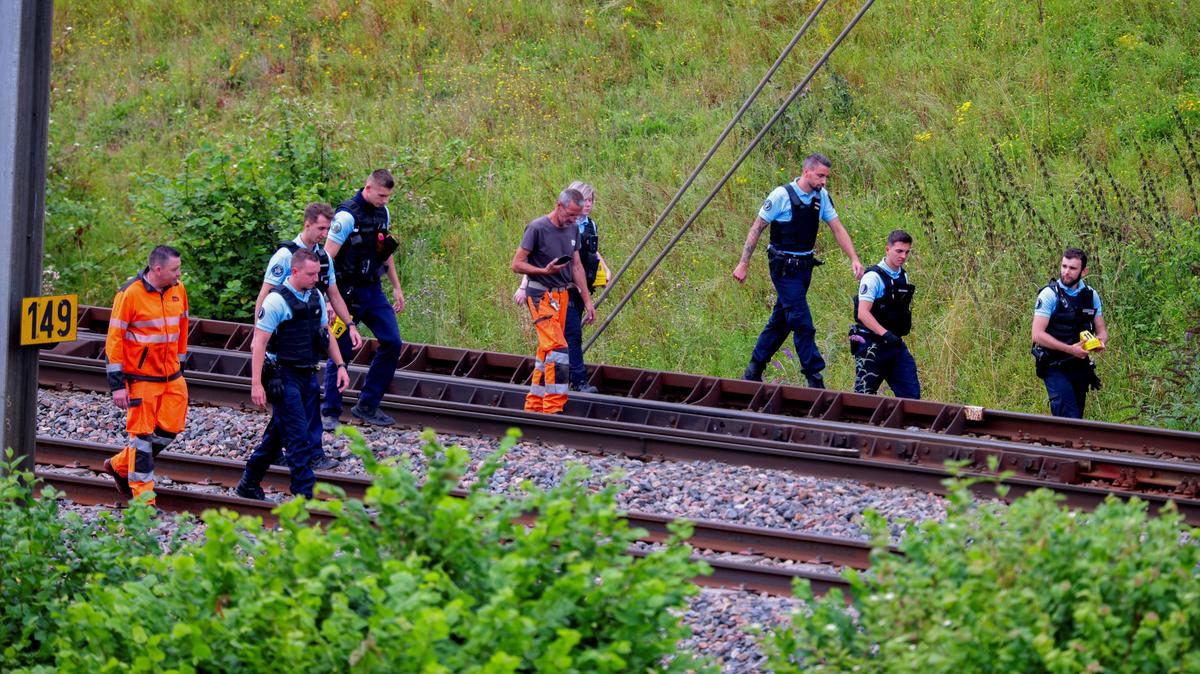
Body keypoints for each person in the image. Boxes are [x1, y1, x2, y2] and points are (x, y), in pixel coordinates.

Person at [733, 153, 863, 389]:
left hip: (804, 269)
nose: (824, 181)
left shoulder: (821, 197)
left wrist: (853, 258)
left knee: (782, 321)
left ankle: (753, 370)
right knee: (802, 322)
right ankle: (815, 380)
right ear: (806, 172)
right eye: (820, 175)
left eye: (826, 177)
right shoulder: (781, 196)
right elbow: (757, 227)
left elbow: (837, 228)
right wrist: (744, 263)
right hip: (783, 268)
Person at [236, 249, 351, 500]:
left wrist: (340, 365)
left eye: (318, 274)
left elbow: (325, 334)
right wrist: (256, 384)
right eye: (310, 274)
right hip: (282, 375)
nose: (316, 279)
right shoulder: (276, 301)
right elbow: (259, 343)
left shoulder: (315, 296)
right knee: (299, 437)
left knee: (279, 433)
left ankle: (249, 482)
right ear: (295, 271)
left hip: (307, 373)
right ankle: (304, 494)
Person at [256, 202, 361, 470]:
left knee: (293, 407)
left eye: (328, 228)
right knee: (294, 406)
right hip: (281, 349)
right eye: (320, 228)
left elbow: (333, 293)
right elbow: (264, 297)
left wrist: (349, 324)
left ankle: (276, 452)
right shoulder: (285, 257)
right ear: (307, 225)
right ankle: (306, 454)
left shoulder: (323, 259)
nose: (325, 234)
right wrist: (263, 343)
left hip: (304, 346)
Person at [102, 245, 189, 506]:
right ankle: (144, 502)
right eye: (175, 269)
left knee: (171, 428)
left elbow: (182, 328)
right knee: (142, 440)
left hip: (171, 376)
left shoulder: (178, 290)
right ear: (158, 269)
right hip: (141, 379)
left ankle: (119, 465)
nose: (179, 274)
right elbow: (114, 340)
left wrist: (179, 365)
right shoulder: (129, 294)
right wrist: (118, 385)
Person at [321, 169, 406, 428]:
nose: (385, 201)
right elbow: (326, 259)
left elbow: (384, 250)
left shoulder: (383, 213)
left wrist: (396, 286)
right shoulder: (346, 217)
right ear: (367, 188)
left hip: (372, 290)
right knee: (341, 350)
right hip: (344, 294)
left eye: (388, 196)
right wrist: (326, 299)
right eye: (381, 195)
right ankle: (330, 412)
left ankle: (368, 405)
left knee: (392, 342)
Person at [514, 180, 610, 393]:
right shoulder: (537, 228)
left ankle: (562, 387)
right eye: (570, 215)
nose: (574, 219)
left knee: (571, 336)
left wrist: (588, 301)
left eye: (576, 216)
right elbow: (517, 264)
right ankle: (555, 396)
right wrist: (541, 273)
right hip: (540, 294)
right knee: (556, 346)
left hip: (565, 294)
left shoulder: (574, 228)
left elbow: (577, 267)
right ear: (559, 206)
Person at [1031, 247, 1108, 419]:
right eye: (1064, 266)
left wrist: (1099, 342)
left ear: (1084, 271)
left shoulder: (1091, 295)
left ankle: (1061, 446)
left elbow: (1102, 331)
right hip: (1053, 365)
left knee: (1077, 419)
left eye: (1072, 268)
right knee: (1068, 418)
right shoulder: (1050, 294)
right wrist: (1069, 349)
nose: (1066, 272)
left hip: (1080, 366)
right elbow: (1037, 334)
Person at [848, 230, 920, 399]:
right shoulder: (873, 277)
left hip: (894, 345)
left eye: (907, 252)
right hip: (871, 345)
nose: (903, 256)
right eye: (899, 251)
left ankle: (910, 426)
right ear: (887, 249)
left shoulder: (903, 275)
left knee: (912, 397)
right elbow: (863, 313)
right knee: (863, 398)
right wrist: (885, 334)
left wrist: (892, 337)